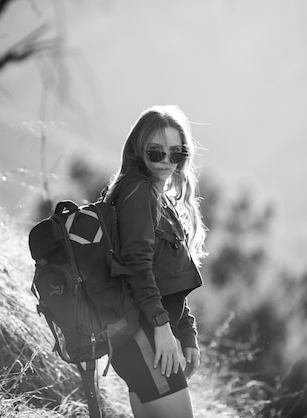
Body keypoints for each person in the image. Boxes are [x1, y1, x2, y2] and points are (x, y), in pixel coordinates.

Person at [104, 105, 207, 418]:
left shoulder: (159, 198)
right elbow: (138, 268)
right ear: (138, 151)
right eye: (156, 152)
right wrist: (163, 331)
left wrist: (186, 334)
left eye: (176, 153)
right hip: (143, 336)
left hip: (144, 337)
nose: (166, 162)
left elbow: (169, 279)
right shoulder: (139, 193)